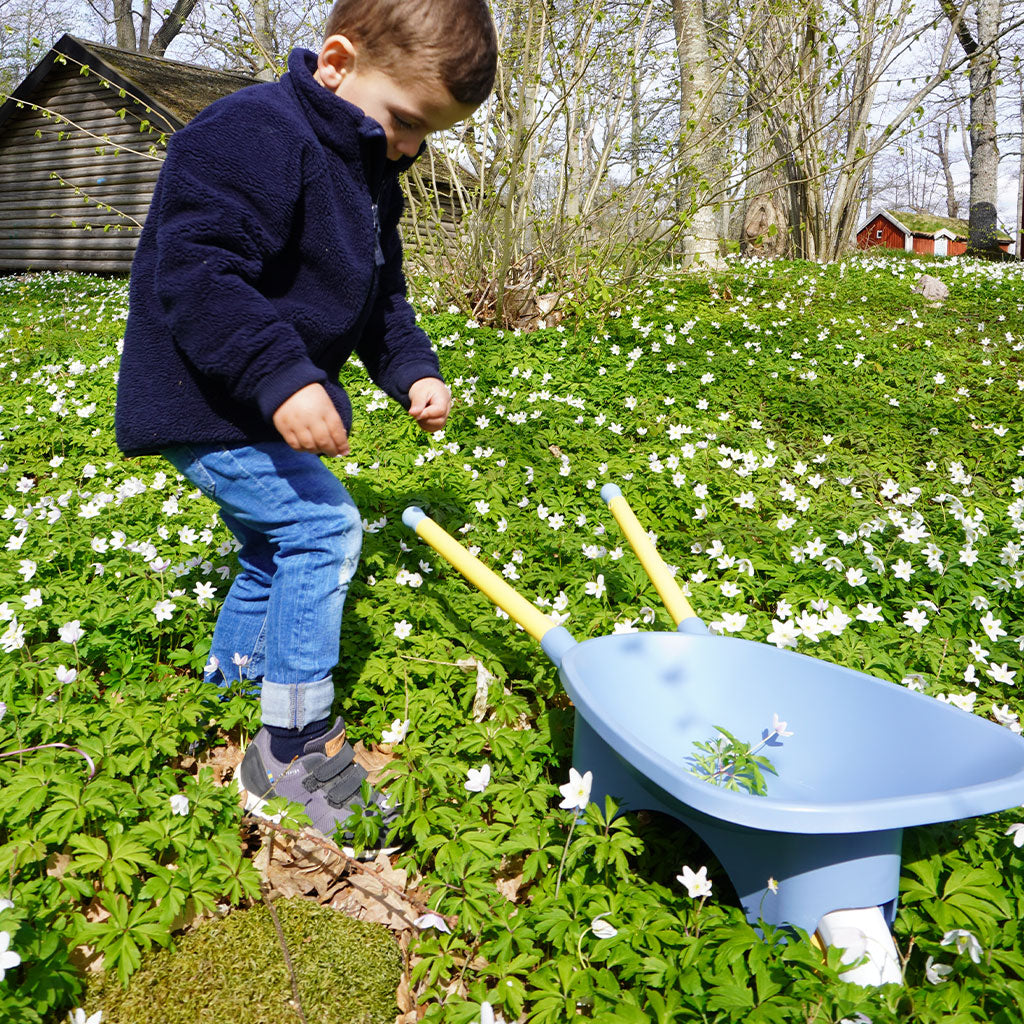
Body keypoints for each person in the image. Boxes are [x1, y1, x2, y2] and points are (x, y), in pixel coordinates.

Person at [114, 0, 498, 849]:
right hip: (206, 397)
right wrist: (279, 377)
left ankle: (231, 683)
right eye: (404, 122)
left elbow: (378, 298)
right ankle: (287, 747)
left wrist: (413, 371)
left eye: (427, 135)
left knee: (270, 545)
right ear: (334, 62)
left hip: (253, 400)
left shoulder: (369, 174)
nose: (409, 148)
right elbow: (199, 272)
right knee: (322, 528)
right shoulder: (250, 133)